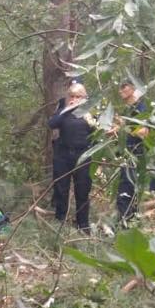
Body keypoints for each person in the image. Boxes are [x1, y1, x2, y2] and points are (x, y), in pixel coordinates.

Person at [48, 83, 96, 232]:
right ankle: (60, 219)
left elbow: (99, 130)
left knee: (82, 190)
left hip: (83, 156)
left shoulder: (90, 111)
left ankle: (83, 224)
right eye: (72, 96)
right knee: (61, 188)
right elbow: (51, 124)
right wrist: (66, 109)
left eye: (78, 96)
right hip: (63, 154)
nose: (74, 99)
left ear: (84, 98)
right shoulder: (63, 109)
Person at [114, 81, 149, 224]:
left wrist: (124, 126)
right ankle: (125, 222)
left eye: (124, 87)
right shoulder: (127, 110)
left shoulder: (141, 109)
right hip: (126, 155)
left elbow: (144, 133)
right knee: (123, 189)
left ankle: (127, 224)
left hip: (136, 156)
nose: (120, 90)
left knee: (127, 190)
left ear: (134, 89)